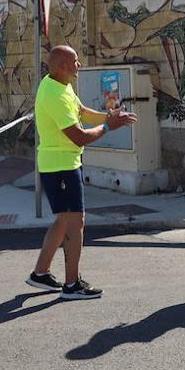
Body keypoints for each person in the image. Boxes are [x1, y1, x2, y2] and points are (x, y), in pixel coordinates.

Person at [26, 45, 136, 299]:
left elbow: (82, 112)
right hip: (62, 166)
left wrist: (107, 117)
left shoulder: (56, 82)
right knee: (76, 222)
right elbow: (79, 137)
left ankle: (40, 273)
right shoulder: (56, 95)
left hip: (61, 164)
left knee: (64, 219)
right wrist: (108, 128)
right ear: (63, 66)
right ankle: (72, 285)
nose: (80, 65)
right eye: (75, 61)